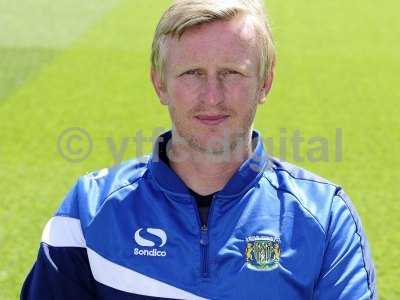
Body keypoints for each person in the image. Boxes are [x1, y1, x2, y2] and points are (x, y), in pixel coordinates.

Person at [21, 0, 377, 299]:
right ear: (159, 84)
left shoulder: (325, 218)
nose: (212, 97)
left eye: (232, 73)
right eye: (192, 73)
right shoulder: (89, 208)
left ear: (264, 83)